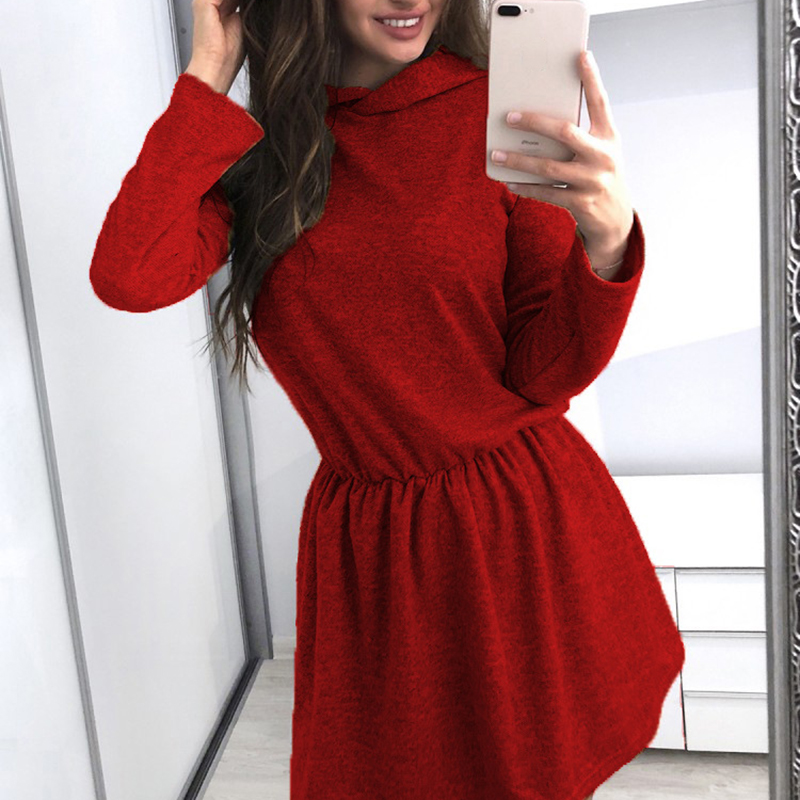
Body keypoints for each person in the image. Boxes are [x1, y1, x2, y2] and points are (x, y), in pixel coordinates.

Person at [89, 0, 686, 798]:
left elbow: (544, 374)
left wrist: (606, 245)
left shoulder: (500, 113)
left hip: (515, 531)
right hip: (373, 556)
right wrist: (207, 76)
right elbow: (129, 275)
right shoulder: (265, 150)